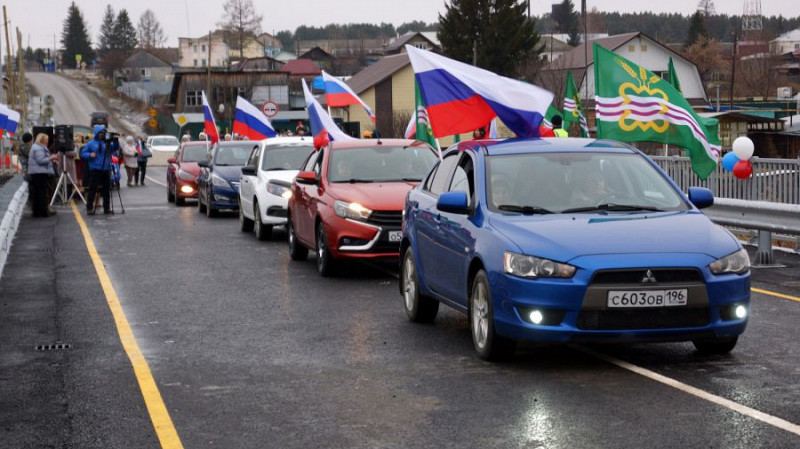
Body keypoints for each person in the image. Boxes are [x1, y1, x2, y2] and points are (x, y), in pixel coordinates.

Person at [81, 125, 113, 215]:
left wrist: (115, 142)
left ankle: (107, 208)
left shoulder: (107, 143)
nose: (102, 134)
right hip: (95, 169)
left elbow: (114, 149)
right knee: (92, 189)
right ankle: (89, 208)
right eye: (100, 133)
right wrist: (90, 155)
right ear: (97, 133)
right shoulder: (90, 143)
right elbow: (83, 153)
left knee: (106, 190)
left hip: (105, 169)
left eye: (103, 133)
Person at [27, 133, 59, 218]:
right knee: (41, 193)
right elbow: (40, 160)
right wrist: (51, 158)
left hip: (36, 172)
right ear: (42, 140)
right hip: (39, 173)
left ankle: (38, 212)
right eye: (46, 139)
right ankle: (42, 212)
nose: (47, 141)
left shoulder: (36, 147)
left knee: (37, 193)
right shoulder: (39, 148)